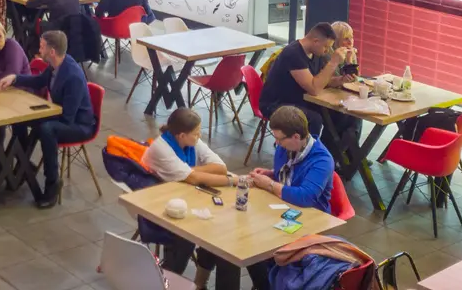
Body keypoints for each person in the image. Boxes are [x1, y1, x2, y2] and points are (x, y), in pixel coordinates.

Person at [239, 107, 336, 290]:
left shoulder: (322, 160)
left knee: (257, 247)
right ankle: (265, 283)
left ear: (296, 137)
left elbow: (306, 197)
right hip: (282, 208)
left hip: (308, 218)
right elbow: (289, 176)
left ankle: (268, 284)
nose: (276, 143)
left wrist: (269, 184)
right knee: (245, 237)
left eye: (279, 138)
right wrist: (271, 174)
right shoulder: (286, 148)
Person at [0, 29, 95, 208]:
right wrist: (14, 79)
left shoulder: (72, 76)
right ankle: (24, 165)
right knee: (20, 118)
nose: (39, 50)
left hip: (79, 125)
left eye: (42, 47)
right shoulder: (55, 65)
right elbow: (39, 81)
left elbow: (67, 118)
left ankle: (52, 184)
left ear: (52, 52)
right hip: (62, 115)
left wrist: (43, 115)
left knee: (46, 129)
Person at [141, 108, 233, 282]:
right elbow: (194, 178)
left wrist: (186, 171)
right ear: (182, 135)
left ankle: (200, 282)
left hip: (182, 196)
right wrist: (230, 181)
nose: (199, 137)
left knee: (218, 230)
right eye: (196, 134)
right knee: (192, 235)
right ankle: (167, 279)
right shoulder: (161, 148)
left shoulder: (191, 142)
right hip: (156, 203)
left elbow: (221, 168)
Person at [258, 22, 345, 138]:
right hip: (276, 104)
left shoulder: (314, 53)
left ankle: (333, 152)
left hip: (299, 100)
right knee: (314, 119)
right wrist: (333, 63)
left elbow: (319, 80)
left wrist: (339, 80)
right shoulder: (293, 54)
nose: (327, 51)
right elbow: (314, 89)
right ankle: (305, 154)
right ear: (315, 41)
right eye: (326, 47)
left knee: (339, 114)